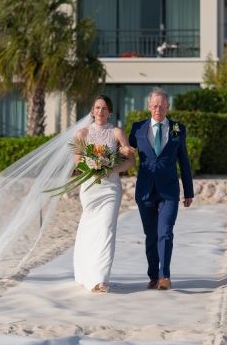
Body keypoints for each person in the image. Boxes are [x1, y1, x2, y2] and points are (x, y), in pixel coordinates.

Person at [128, 87, 194, 291]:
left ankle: (165, 275)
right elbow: (125, 152)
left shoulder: (178, 129)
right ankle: (153, 276)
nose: (158, 109)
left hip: (169, 191)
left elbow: (184, 161)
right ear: (149, 107)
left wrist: (188, 191)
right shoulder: (138, 128)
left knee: (165, 232)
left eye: (162, 105)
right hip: (145, 191)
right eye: (155, 106)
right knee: (151, 235)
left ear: (168, 106)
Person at [73, 95, 135, 293]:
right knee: (91, 229)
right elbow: (78, 163)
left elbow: (130, 162)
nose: (100, 111)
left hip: (111, 188)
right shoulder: (81, 134)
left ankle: (101, 279)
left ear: (110, 111)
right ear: (92, 110)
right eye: (98, 107)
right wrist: (93, 165)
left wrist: (109, 169)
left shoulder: (117, 133)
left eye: (104, 108)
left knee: (107, 229)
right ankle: (86, 272)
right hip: (90, 188)